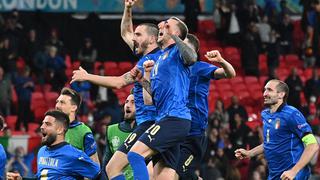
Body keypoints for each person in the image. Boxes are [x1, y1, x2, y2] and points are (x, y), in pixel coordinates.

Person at [71, 0, 160, 179]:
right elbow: (125, 33)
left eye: (139, 34)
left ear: (152, 39)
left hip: (149, 121)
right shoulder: (151, 56)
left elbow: (119, 82)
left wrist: (87, 76)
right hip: (156, 123)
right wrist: (127, 9)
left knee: (112, 169)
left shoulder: (149, 62)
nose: (133, 37)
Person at [128, 16, 197, 180]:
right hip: (164, 119)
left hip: (175, 118)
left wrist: (175, 36)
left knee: (135, 155)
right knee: (161, 176)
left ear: (175, 33)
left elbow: (192, 57)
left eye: (167, 25)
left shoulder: (178, 53)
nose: (162, 27)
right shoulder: (160, 59)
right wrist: (142, 80)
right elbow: (150, 100)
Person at [176, 34, 236, 179]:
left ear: (193, 51)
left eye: (185, 45)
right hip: (174, 130)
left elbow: (230, 74)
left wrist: (221, 60)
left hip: (193, 133)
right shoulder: (174, 70)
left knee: (177, 173)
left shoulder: (200, 67)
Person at [235, 79, 319, 179]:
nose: (264, 94)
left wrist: (293, 171)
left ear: (281, 95)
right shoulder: (266, 114)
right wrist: (249, 153)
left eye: (269, 90)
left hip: (294, 176)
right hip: (275, 175)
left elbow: (313, 145)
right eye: (264, 90)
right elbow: (269, 142)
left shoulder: (292, 114)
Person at [7, 109, 100, 179]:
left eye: (47, 124)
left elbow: (98, 174)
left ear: (59, 129)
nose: (42, 127)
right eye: (42, 123)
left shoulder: (74, 155)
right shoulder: (42, 151)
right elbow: (41, 177)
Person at [55, 87, 100, 165]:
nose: (57, 106)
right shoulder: (51, 128)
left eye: (62, 102)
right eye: (57, 102)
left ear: (73, 107)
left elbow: (95, 165)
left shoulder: (83, 131)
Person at [103, 93, 136, 180]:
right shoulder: (111, 130)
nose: (128, 105)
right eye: (126, 102)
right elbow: (106, 164)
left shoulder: (147, 131)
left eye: (133, 102)